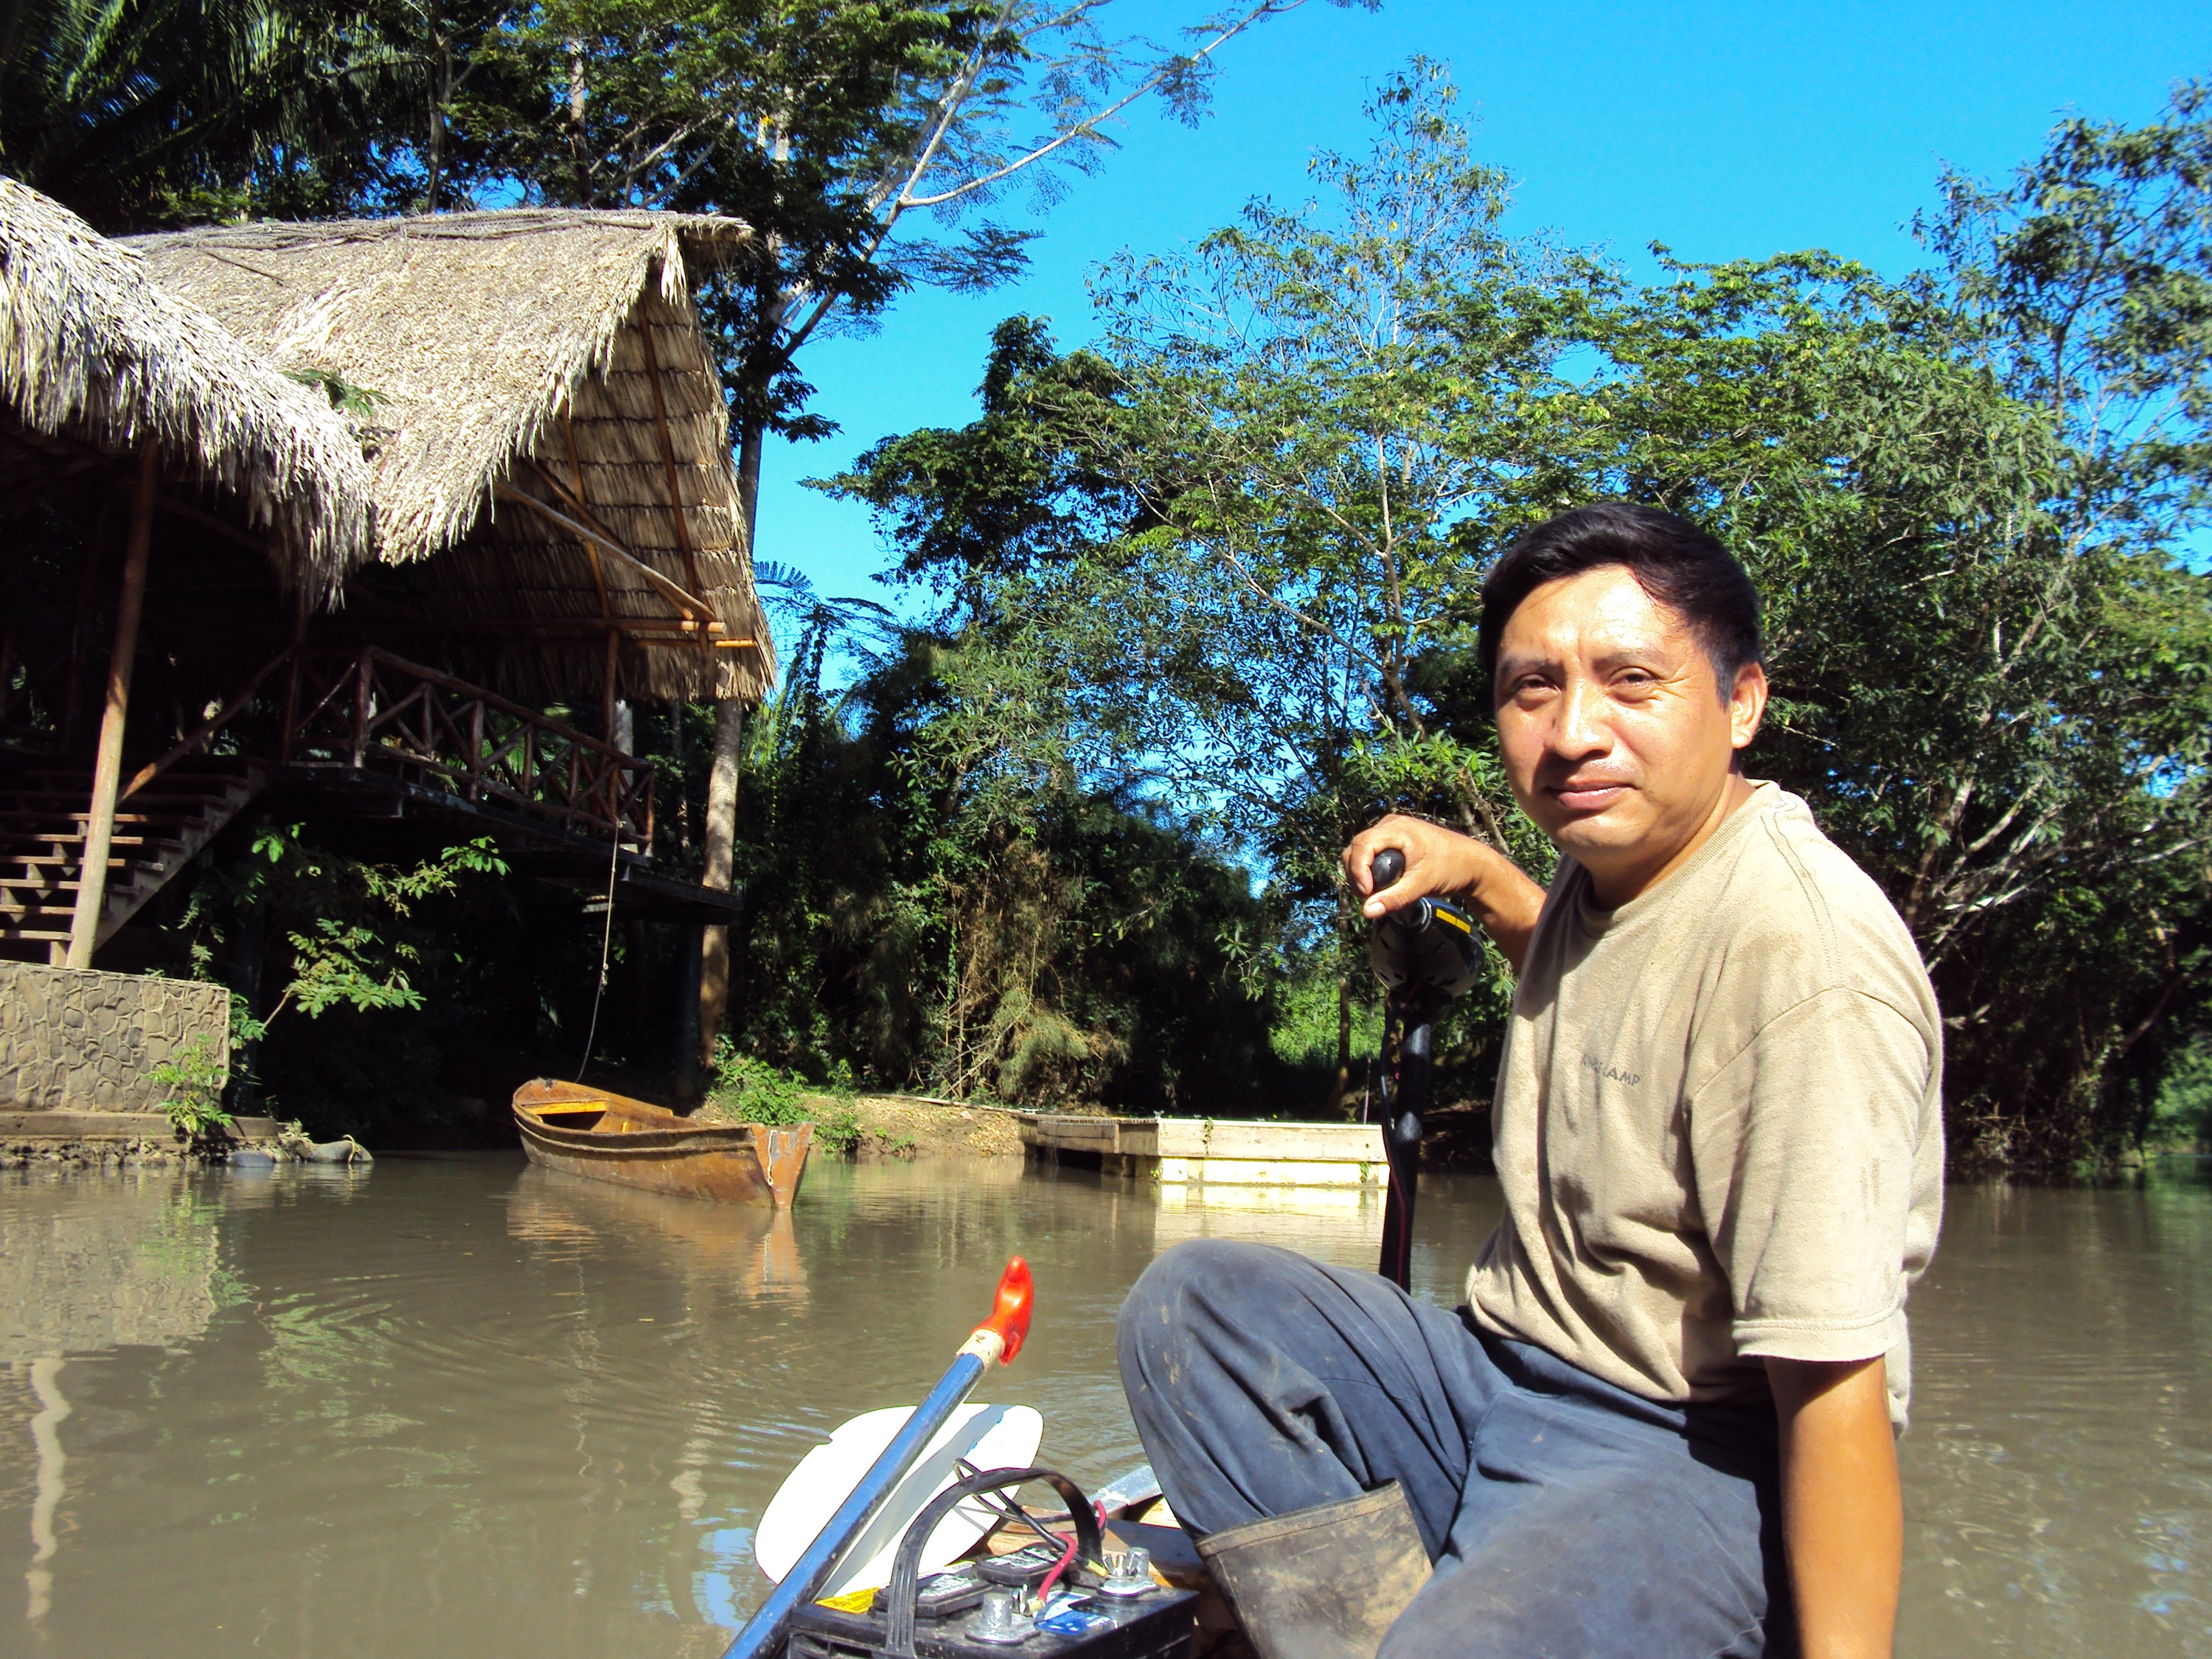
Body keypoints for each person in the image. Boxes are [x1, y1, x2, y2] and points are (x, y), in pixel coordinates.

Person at [1116, 503, 1944, 1659]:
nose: (1574, 732)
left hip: (1683, 1444)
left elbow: (1835, 1384)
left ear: (1741, 701)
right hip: (1498, 1373)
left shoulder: (1803, 962)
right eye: (1532, 689)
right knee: (1189, 1311)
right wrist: (1475, 868)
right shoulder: (1609, 867)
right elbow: (1566, 955)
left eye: (1632, 680)